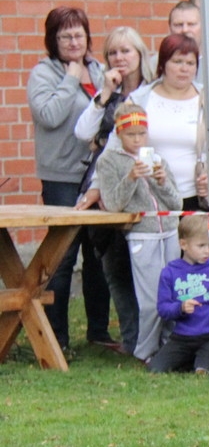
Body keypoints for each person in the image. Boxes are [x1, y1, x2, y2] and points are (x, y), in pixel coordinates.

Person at [28, 6, 113, 352]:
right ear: (53, 40)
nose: (73, 41)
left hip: (97, 175)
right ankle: (56, 335)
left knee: (98, 255)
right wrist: (70, 80)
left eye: (79, 34)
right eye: (65, 36)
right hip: (62, 177)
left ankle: (98, 331)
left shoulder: (99, 69)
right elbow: (48, 115)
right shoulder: (43, 73)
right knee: (62, 255)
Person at [73, 25, 153, 355]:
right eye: (113, 52)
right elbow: (83, 133)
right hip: (106, 185)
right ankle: (132, 339)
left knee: (146, 271)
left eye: (127, 51)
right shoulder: (108, 95)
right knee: (114, 265)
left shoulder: (153, 92)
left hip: (142, 184)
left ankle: (149, 339)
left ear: (140, 55)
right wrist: (104, 93)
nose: (120, 58)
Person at [97, 33, 209, 214]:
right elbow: (114, 147)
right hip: (148, 199)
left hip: (198, 199)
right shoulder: (140, 99)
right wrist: (97, 187)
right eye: (177, 62)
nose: (184, 69)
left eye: (190, 63)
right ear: (162, 64)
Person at [96, 106, 182, 362]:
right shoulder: (109, 160)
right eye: (131, 134)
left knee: (173, 293)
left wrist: (162, 180)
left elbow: (176, 203)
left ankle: (170, 344)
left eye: (142, 133)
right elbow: (113, 203)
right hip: (141, 234)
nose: (137, 139)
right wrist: (132, 177)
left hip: (169, 231)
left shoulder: (158, 159)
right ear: (120, 134)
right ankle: (144, 350)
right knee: (149, 298)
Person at [149, 214, 209, 375]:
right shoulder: (170, 272)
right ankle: (191, 359)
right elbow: (163, 309)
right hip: (182, 336)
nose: (207, 251)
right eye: (201, 245)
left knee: (202, 371)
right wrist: (180, 307)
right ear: (183, 244)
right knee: (156, 368)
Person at [167, 1, 209, 75]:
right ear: (170, 28)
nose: (185, 30)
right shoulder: (156, 63)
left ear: (203, 27)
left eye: (191, 24)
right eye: (178, 25)